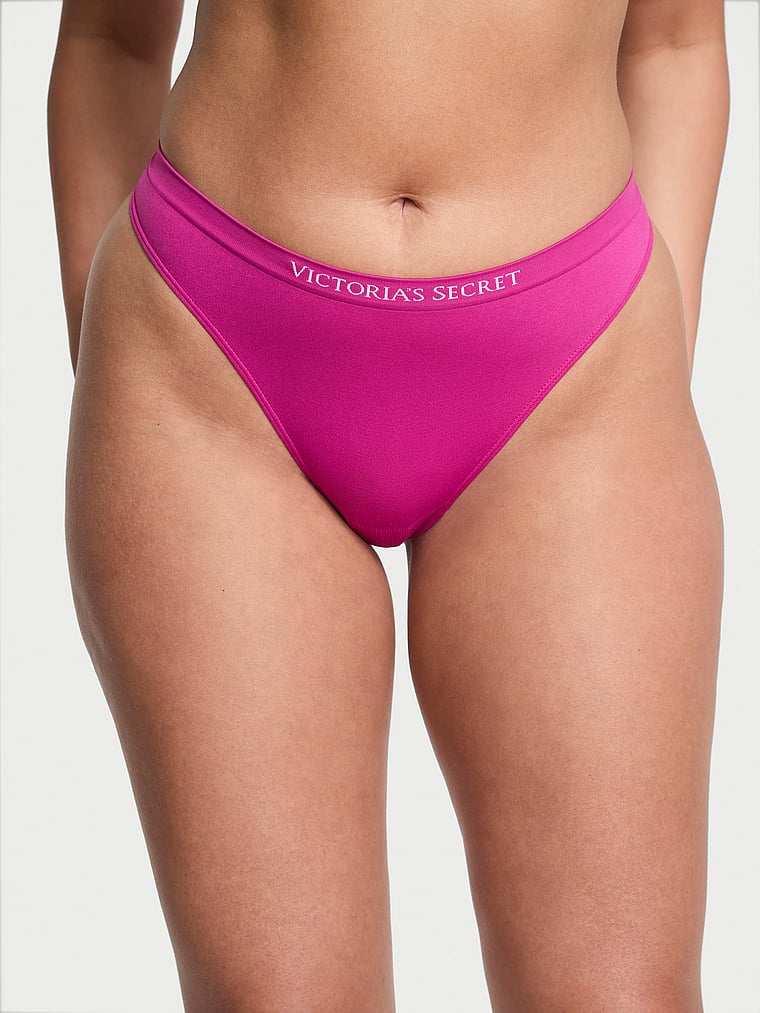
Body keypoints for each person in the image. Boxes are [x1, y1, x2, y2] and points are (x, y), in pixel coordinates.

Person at [48, 0, 729, 1008]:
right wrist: (109, 344)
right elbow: (112, 42)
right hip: (213, 352)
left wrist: (644, 348)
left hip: (572, 365)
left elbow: (675, 44)